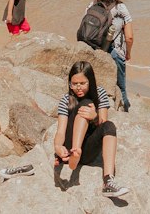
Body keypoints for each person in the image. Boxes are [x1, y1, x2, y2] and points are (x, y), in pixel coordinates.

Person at [53, 59, 128, 199]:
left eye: (83, 83)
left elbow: (104, 124)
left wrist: (94, 117)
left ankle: (108, 182)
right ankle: (75, 152)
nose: (78, 88)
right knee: (86, 104)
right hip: (70, 147)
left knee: (110, 126)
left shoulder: (100, 94)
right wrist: (57, 146)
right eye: (74, 84)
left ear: (91, 81)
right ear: (70, 83)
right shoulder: (66, 100)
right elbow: (60, 131)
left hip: (87, 151)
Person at [93, 0, 133, 110]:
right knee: (121, 87)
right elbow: (129, 37)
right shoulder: (121, 8)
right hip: (115, 52)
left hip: (95, 51)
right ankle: (125, 110)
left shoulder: (93, 5)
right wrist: (128, 53)